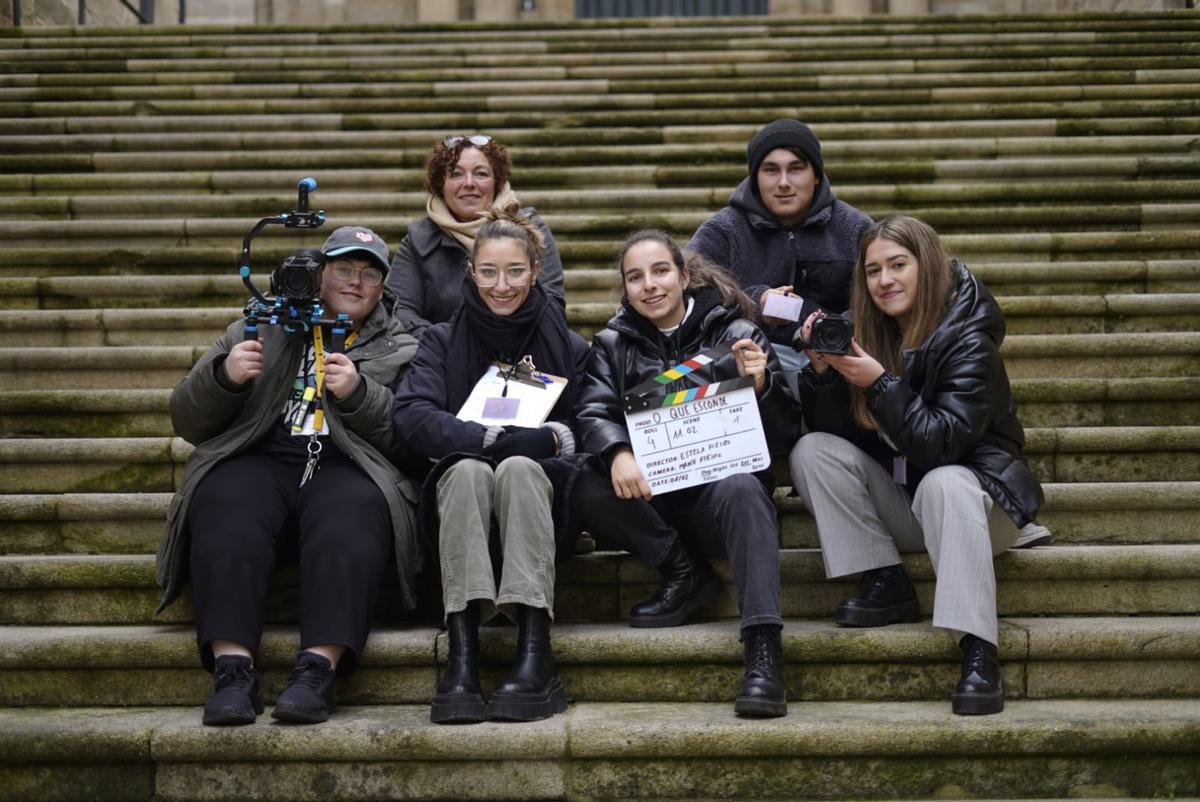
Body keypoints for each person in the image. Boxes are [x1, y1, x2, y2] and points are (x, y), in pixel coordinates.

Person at [156, 226, 421, 726]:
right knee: (224, 502)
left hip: (349, 461)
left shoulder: (403, 346)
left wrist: (362, 395)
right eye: (343, 269)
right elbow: (186, 420)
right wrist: (224, 378)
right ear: (320, 274)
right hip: (263, 454)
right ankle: (233, 669)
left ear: (383, 288)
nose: (354, 282)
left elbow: (414, 437)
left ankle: (317, 670)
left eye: (368, 275)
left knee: (352, 515)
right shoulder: (258, 326)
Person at [789, 215, 1044, 716]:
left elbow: (940, 448)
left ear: (927, 265)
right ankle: (885, 580)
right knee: (811, 449)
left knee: (946, 481)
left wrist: (881, 383)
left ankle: (977, 650)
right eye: (873, 270)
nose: (885, 280)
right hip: (913, 507)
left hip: (980, 511)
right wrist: (823, 376)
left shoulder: (971, 339)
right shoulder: (870, 334)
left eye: (898, 265)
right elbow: (844, 438)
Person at [572, 230, 798, 718]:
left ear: (684, 275)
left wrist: (762, 385)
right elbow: (591, 411)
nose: (649, 286)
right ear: (625, 287)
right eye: (635, 277)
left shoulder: (738, 334)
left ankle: (763, 649)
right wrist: (616, 453)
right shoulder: (611, 343)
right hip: (654, 504)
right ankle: (684, 573)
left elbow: (783, 434)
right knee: (582, 478)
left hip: (721, 503)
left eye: (660, 271)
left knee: (741, 485)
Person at [391, 210, 589, 724]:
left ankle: (534, 651)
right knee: (469, 470)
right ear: (471, 273)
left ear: (536, 269)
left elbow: (593, 420)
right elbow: (411, 413)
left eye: (516, 271)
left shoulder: (567, 346)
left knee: (522, 468)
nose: (502, 286)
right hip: (461, 506)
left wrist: (551, 437)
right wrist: (488, 438)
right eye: (489, 272)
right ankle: (462, 653)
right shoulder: (439, 341)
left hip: (541, 507)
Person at [689, 118, 872, 359]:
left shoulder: (855, 228)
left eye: (796, 169)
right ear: (756, 177)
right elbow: (687, 297)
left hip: (843, 356)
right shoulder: (722, 231)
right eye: (771, 170)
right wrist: (756, 304)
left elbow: (884, 296)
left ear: (816, 175)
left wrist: (834, 327)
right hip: (747, 359)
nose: (783, 183)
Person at [386, 134, 565, 339]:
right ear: (440, 185)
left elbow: (552, 305)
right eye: (456, 174)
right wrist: (452, 345)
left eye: (480, 174)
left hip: (522, 354)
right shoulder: (419, 240)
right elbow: (399, 312)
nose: (469, 183)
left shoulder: (530, 229)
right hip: (443, 361)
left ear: (497, 182)